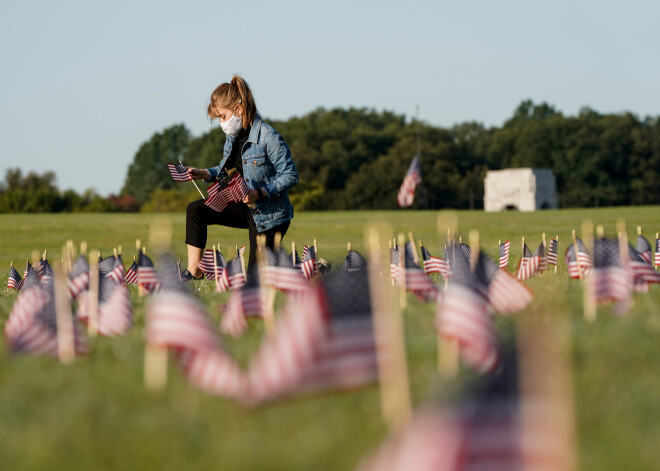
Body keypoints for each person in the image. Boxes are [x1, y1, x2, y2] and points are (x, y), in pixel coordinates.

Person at [182, 75, 298, 280]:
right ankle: (193, 273)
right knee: (195, 210)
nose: (221, 123)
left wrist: (260, 192)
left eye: (223, 117)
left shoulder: (268, 136)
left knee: (256, 279)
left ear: (239, 109)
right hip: (244, 206)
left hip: (269, 215)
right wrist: (205, 173)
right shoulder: (233, 136)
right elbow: (226, 167)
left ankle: (309, 272)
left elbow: (290, 175)